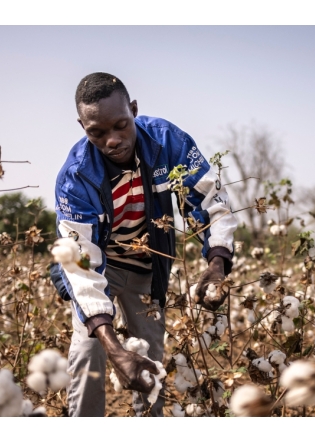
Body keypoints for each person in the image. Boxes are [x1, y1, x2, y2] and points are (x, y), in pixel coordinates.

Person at [50, 72, 238, 417]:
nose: (112, 140)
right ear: (82, 126)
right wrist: (114, 349)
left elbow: (213, 201)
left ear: (134, 110)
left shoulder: (168, 143)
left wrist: (217, 262)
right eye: (97, 132)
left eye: (121, 125)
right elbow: (81, 268)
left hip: (145, 272)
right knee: (90, 351)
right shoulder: (76, 177)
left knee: (150, 362)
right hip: (100, 270)